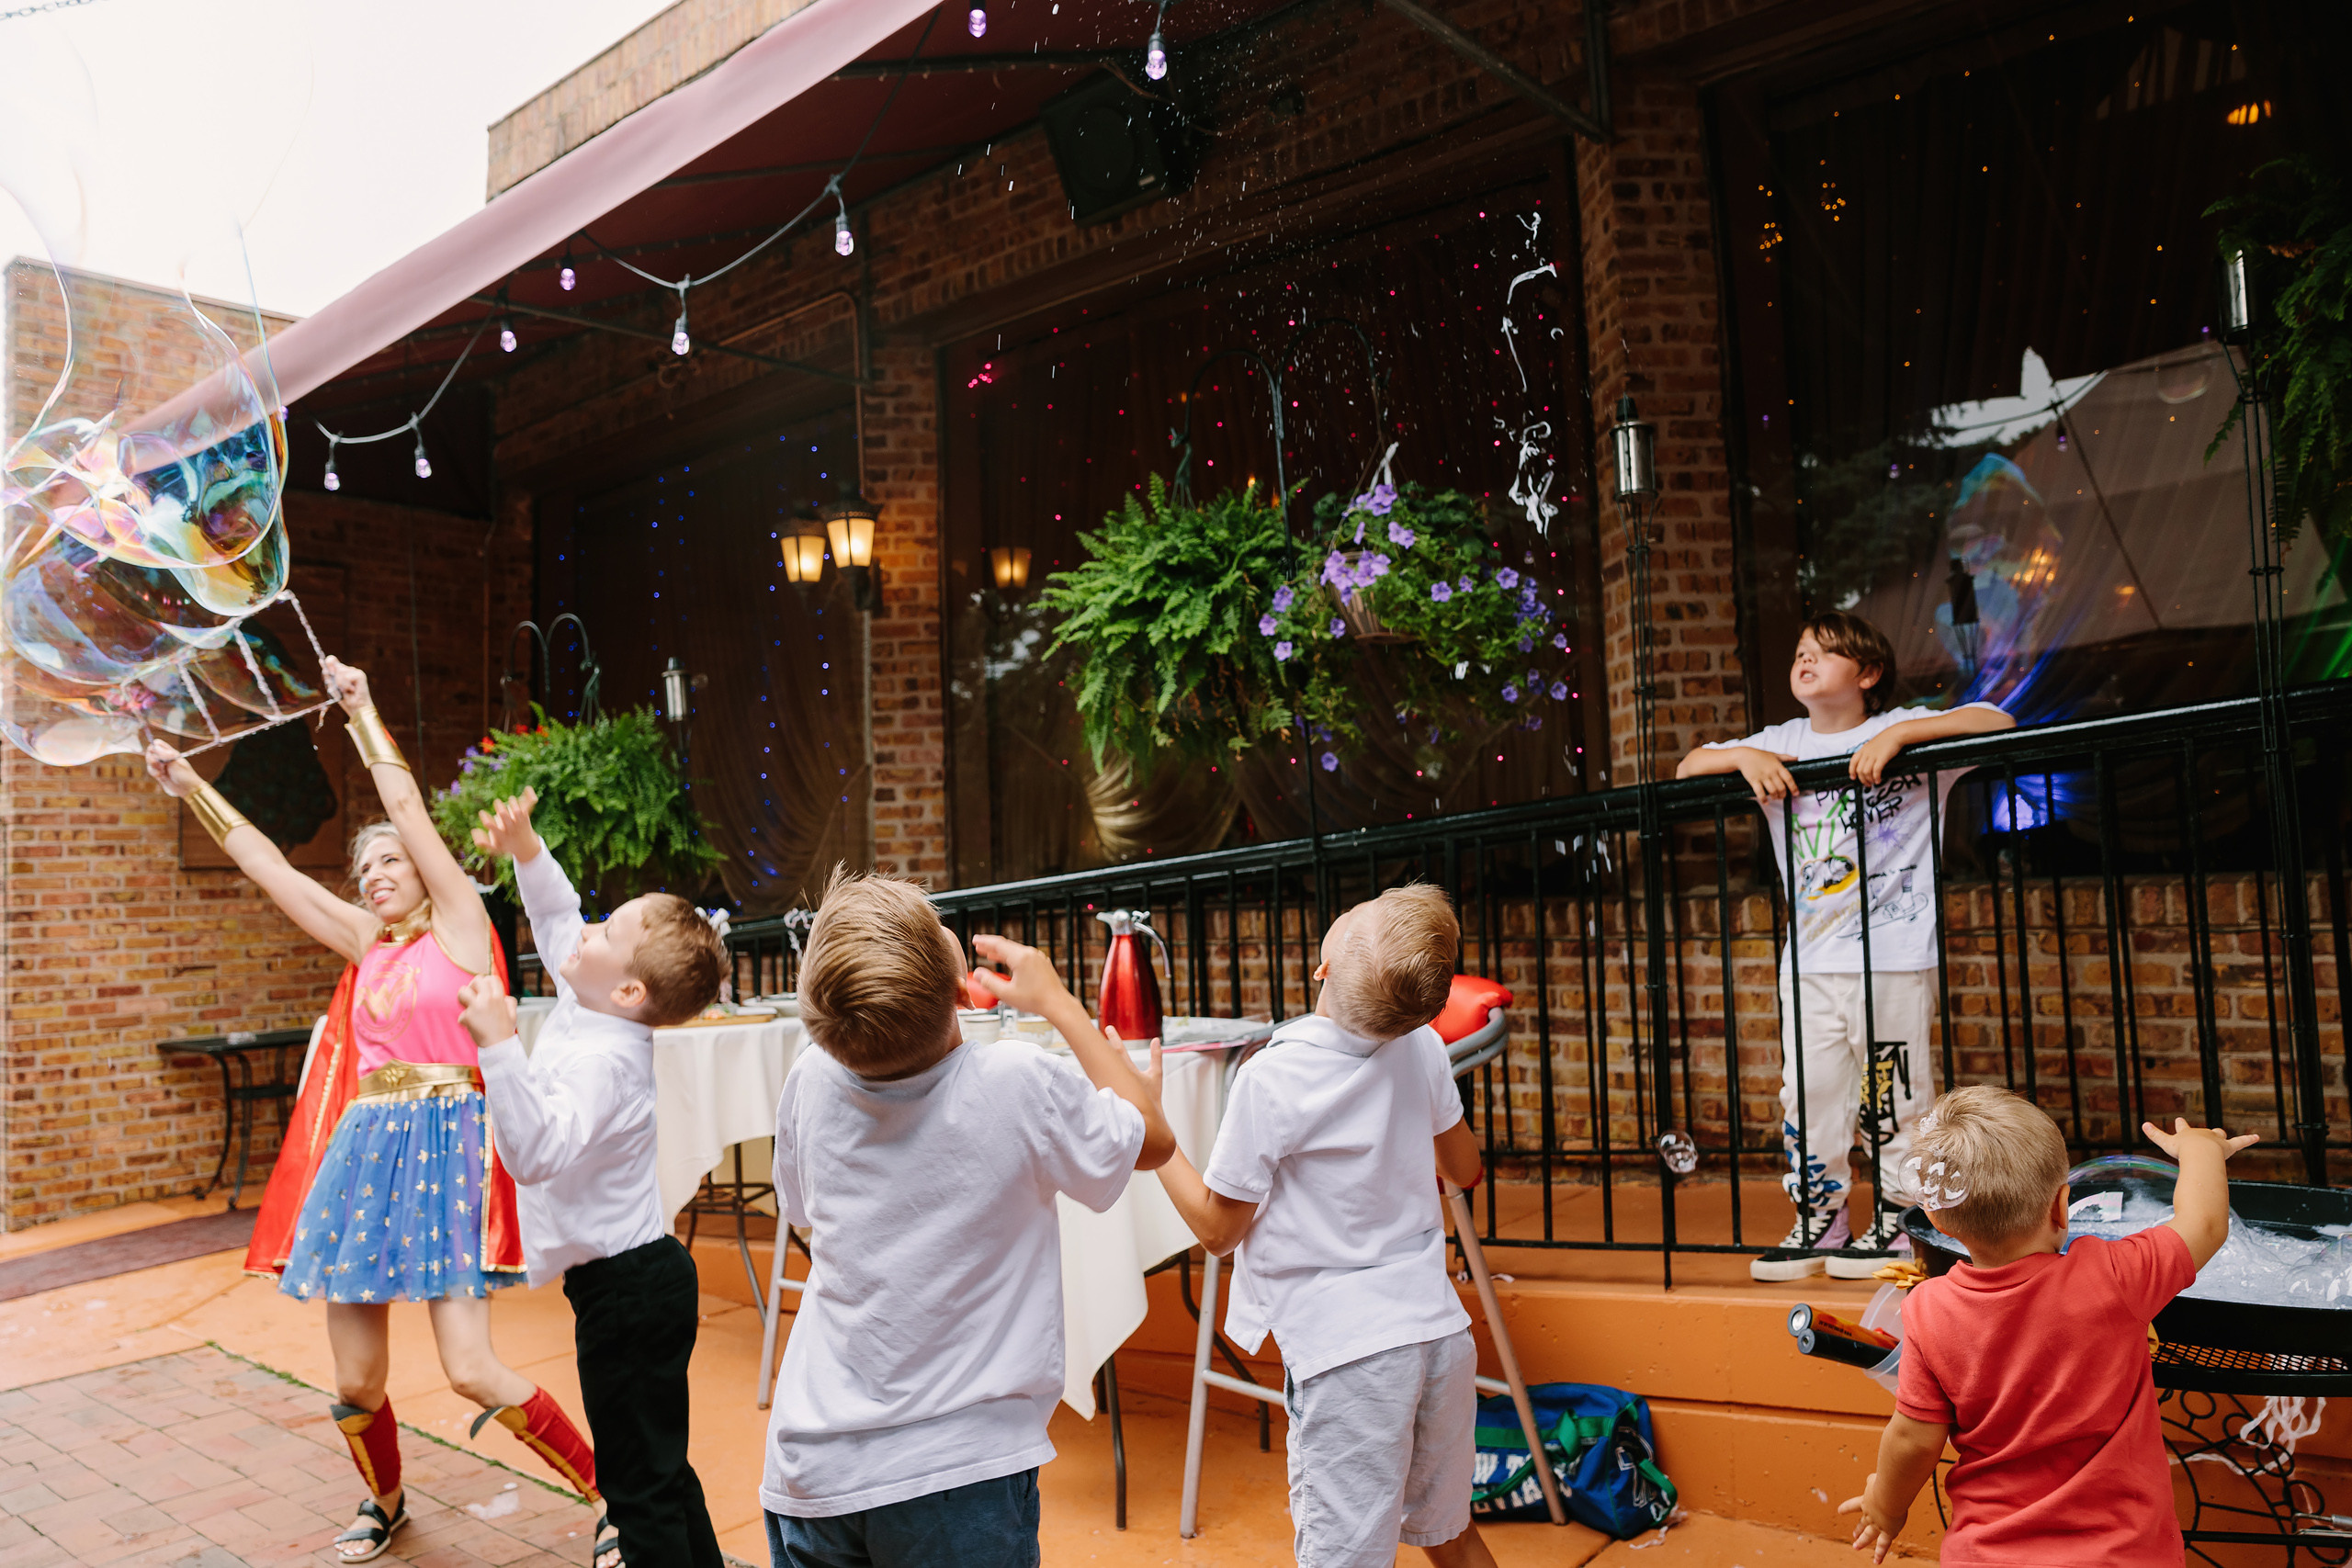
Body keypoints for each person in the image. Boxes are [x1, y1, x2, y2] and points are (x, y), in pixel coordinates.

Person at [145, 660, 602, 1565]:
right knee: (356, 1375)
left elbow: (417, 821)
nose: (378, 872)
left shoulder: (460, 926)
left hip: (447, 1151)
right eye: (366, 867)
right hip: (364, 1156)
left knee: (470, 1368)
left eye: (391, 859)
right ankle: (385, 1499)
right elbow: (269, 866)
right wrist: (191, 781)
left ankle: (611, 1494)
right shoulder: (365, 945)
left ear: (425, 875)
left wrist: (362, 710)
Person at [760, 869, 1175, 1568]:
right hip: (960, 1474)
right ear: (962, 992)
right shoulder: (1014, 1081)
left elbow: (800, 1207)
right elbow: (1154, 1139)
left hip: (815, 1468)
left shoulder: (809, 1076)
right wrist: (1061, 1005)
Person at [1154, 885, 1498, 1568]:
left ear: (1324, 969)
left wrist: (1158, 1140)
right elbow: (1465, 1169)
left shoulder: (1273, 1077)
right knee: (1450, 1536)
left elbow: (1218, 1233)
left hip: (1352, 1361)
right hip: (1439, 1336)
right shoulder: (1423, 1046)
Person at [1676, 612, 2014, 1280]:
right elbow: (1690, 766)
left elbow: (1997, 722)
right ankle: (1820, 1217)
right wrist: (1744, 756)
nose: (1806, 660)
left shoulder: (1899, 733)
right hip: (1809, 961)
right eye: (1801, 650)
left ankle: (1900, 1218)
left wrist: (1902, 735)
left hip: (1892, 956)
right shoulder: (1784, 740)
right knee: (1809, 1093)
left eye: (1826, 652)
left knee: (1893, 1095)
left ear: (1867, 674)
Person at [455, 787, 730, 1568]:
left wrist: (500, 1047)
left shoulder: (610, 1062)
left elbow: (537, 1151)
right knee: (657, 1466)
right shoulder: (597, 1003)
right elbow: (556, 920)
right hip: (630, 1283)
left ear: (632, 991)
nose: (586, 929)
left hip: (628, 1294)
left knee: (637, 1487)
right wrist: (528, 849)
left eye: (608, 929)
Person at [1837, 1086, 2257, 1563]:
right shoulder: (2114, 1276)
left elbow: (1912, 1439)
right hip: (2123, 1554)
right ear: (2062, 1206)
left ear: (1939, 1219)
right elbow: (2205, 1224)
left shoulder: (1929, 1309)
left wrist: (1886, 1507)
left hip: (1991, 1555)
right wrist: (2201, 1148)